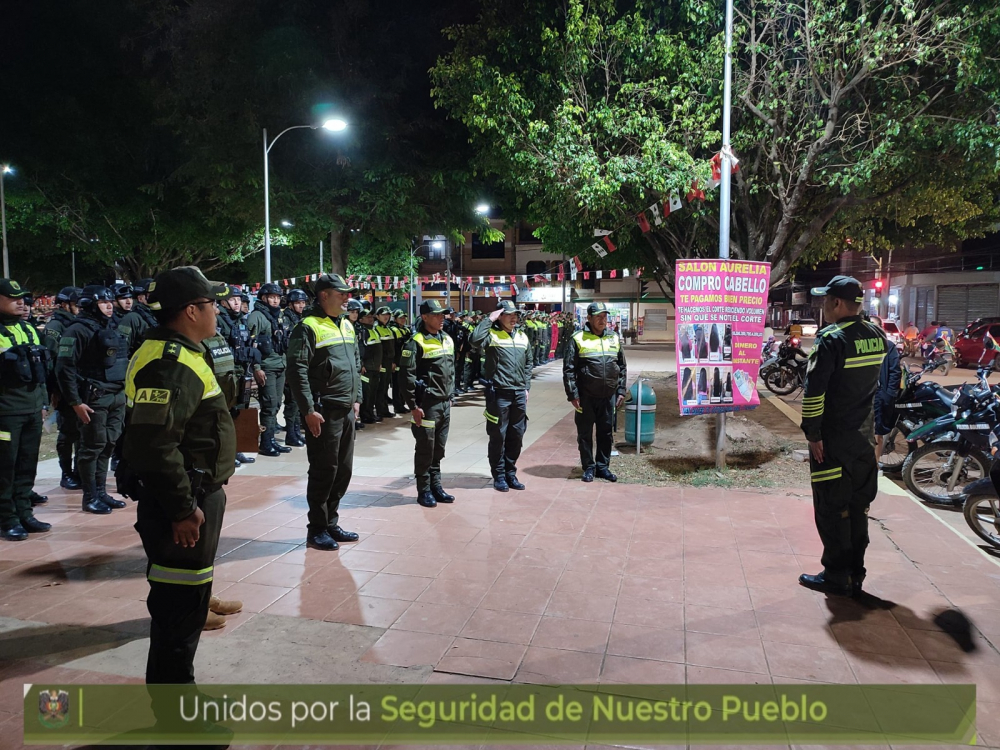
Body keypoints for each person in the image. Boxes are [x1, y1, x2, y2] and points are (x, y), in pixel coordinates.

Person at [120, 266, 236, 682]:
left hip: (190, 495)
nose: (218, 311)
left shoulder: (181, 354)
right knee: (177, 621)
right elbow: (154, 444)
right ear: (190, 310)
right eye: (211, 304)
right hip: (183, 504)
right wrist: (183, 508)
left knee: (184, 610)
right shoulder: (171, 364)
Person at [799, 275, 887, 597]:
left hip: (832, 442)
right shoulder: (878, 336)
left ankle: (836, 576)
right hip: (863, 442)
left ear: (836, 303)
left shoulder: (831, 340)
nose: (822, 306)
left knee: (832, 509)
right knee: (859, 508)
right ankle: (855, 573)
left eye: (825, 300)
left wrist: (813, 433)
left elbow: (814, 393)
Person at [286, 274, 361, 550]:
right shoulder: (308, 327)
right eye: (340, 293)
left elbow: (355, 361)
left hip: (346, 409)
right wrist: (307, 409)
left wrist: (357, 398)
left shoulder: (346, 324)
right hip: (324, 410)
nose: (346, 298)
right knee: (323, 470)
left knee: (343, 469)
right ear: (324, 296)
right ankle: (316, 528)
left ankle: (331, 521)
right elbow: (297, 370)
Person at [55, 285, 129, 515]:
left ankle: (101, 492)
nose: (109, 305)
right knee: (91, 447)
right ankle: (90, 497)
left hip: (116, 394)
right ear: (89, 304)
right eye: (102, 302)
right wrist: (75, 402)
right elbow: (64, 369)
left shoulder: (113, 326)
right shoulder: (76, 330)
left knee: (108, 444)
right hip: (94, 398)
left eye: (110, 301)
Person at [0, 279, 53, 541]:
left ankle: (24, 512)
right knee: (5, 467)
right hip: (5, 413)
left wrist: (43, 404)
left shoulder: (30, 329)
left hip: (31, 409)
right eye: (13, 298)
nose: (21, 302)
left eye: (22, 297)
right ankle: (7, 518)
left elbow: (40, 373)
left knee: (27, 464)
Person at [471, 300, 533, 492]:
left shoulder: (522, 337)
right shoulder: (491, 335)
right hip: (499, 393)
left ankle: (510, 473)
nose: (514, 317)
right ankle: (498, 475)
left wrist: (526, 387)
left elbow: (529, 362)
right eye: (509, 314)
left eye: (516, 314)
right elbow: (474, 340)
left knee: (517, 434)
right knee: (498, 435)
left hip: (518, 393)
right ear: (499, 316)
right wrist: (488, 319)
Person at [401, 300, 457, 507]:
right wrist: (413, 406)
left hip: (444, 403)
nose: (441, 318)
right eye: (436, 315)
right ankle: (424, 490)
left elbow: (450, 371)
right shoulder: (415, 342)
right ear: (424, 317)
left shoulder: (447, 339)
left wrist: (450, 395)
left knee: (439, 448)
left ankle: (436, 486)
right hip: (427, 405)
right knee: (426, 448)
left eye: (443, 315)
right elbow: (406, 377)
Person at [563, 302, 627, 482]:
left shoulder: (614, 338)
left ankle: (603, 467)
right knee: (585, 434)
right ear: (589, 318)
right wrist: (572, 394)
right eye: (598, 316)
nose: (602, 320)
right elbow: (568, 368)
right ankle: (589, 467)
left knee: (606, 433)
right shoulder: (578, 338)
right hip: (585, 397)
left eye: (604, 316)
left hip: (608, 397)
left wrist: (620, 390)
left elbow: (622, 366)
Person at [216, 285, 264, 465]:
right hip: (226, 374)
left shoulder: (239, 320)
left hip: (241, 372)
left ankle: (237, 449)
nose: (237, 303)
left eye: (239, 300)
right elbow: (219, 349)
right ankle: (226, 453)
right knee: (225, 414)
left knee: (239, 412)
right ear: (222, 302)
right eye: (232, 300)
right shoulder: (219, 319)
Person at [44, 287, 83, 490]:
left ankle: (78, 471)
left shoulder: (77, 322)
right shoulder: (56, 325)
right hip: (63, 386)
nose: (79, 308)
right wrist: (55, 391)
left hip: (78, 385)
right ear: (64, 305)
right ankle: (66, 473)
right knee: (68, 433)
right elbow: (51, 360)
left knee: (81, 432)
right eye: (75, 304)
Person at [247, 283, 291, 456]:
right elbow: (250, 345)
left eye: (278, 297)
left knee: (277, 403)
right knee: (269, 404)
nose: (275, 300)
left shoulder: (278, 316)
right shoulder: (256, 316)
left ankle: (271, 438)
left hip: (280, 365)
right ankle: (266, 442)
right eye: (272, 297)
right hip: (266, 367)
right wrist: (256, 368)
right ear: (263, 298)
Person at [281, 289, 309, 447]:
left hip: (300, 363)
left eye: (303, 303)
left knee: (298, 400)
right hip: (290, 364)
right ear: (291, 304)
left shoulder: (301, 319)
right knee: (291, 401)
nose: (301, 305)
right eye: (298, 303)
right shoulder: (286, 319)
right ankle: (291, 433)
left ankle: (296, 431)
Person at [873, 317, 902, 466]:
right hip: (860, 396)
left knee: (877, 433)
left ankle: (874, 465)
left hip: (879, 395)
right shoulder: (857, 346)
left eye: (876, 325)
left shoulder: (888, 346)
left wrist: (888, 394)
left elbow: (895, 372)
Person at [116, 278, 158, 357]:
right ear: (140, 298)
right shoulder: (132, 318)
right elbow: (120, 350)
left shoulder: (160, 315)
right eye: (151, 295)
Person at [358, 302, 382, 423]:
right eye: (368, 317)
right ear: (361, 319)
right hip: (366, 369)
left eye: (371, 317)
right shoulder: (363, 332)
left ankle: (370, 413)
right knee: (366, 393)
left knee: (373, 393)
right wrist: (361, 364)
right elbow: (360, 349)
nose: (371, 318)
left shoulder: (374, 331)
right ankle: (365, 415)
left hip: (375, 368)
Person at [373, 306, 396, 418]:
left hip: (389, 362)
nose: (386, 317)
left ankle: (384, 409)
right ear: (377, 316)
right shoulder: (376, 328)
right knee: (381, 387)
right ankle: (380, 410)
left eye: (388, 315)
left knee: (385, 386)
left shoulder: (388, 328)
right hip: (382, 362)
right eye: (383, 315)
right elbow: (378, 349)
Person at [389, 311, 411, 414]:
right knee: (397, 385)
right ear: (395, 319)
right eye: (400, 317)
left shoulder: (406, 329)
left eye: (404, 317)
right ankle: (398, 406)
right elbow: (393, 347)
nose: (403, 319)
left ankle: (402, 403)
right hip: (397, 361)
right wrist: (393, 361)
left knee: (404, 384)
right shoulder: (393, 330)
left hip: (405, 361)